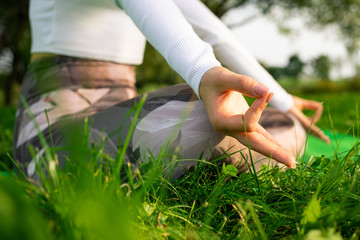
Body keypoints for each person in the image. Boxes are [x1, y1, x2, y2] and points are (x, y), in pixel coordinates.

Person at [13, 0, 329, 180]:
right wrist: (204, 74)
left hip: (120, 116)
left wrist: (284, 103)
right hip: (52, 130)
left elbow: (213, 32)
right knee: (207, 122)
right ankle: (51, 164)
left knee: (276, 123)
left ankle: (177, 162)